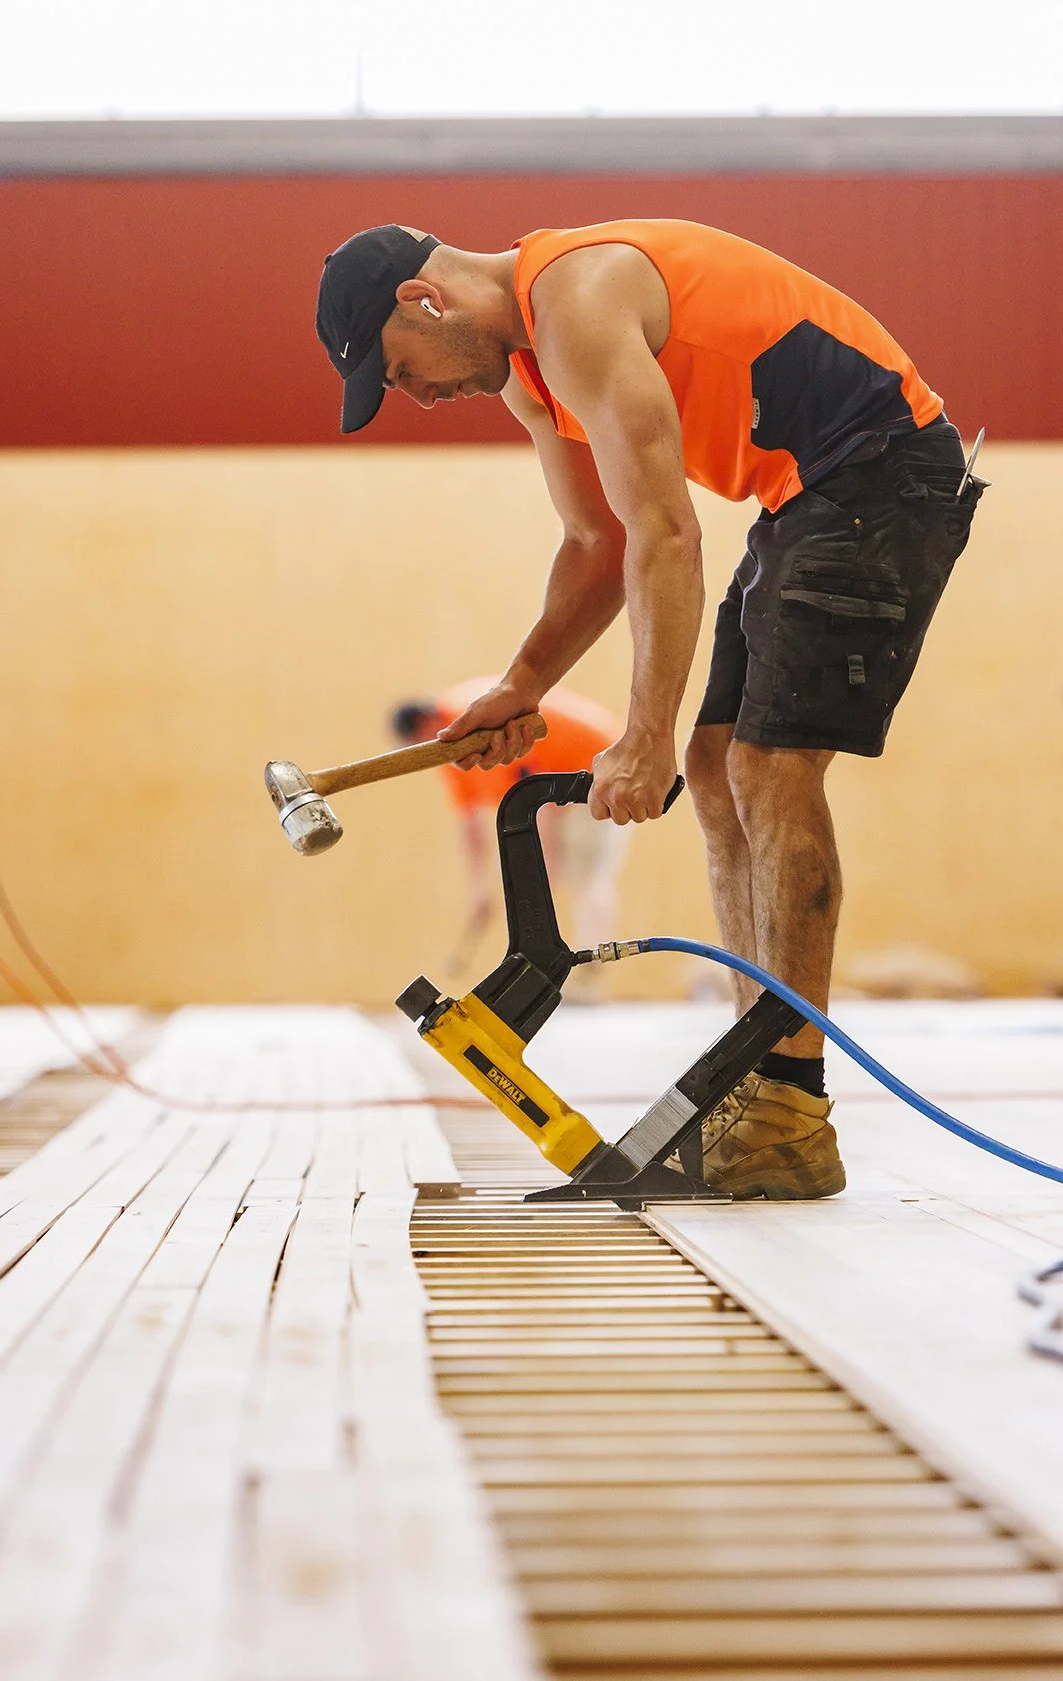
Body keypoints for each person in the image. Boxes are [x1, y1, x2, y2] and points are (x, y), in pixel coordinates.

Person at [316, 220, 984, 1199]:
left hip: (883, 469)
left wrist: (643, 734)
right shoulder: (526, 371)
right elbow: (594, 542)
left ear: (424, 302)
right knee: (718, 769)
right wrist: (521, 686)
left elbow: (663, 533)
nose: (416, 396)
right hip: (801, 494)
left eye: (399, 372)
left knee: (763, 765)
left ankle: (788, 1106)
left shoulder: (576, 302)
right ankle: (763, 1078)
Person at [390, 679, 628, 980]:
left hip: (595, 767)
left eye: (416, 746)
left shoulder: (473, 724)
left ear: (425, 723)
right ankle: (572, 975)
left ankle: (590, 977)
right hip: (557, 780)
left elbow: (537, 792)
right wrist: (478, 887)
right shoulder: (449, 750)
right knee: (554, 876)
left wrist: (546, 859)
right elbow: (470, 821)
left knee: (587, 877)